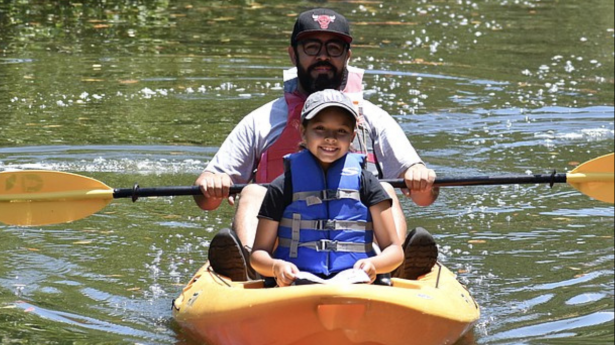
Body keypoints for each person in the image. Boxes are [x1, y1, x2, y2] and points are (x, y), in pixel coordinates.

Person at [195, 8, 439, 282]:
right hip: (280, 251)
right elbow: (207, 200)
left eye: (334, 48)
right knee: (252, 192)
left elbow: (423, 198)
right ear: (293, 53)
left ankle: (391, 267)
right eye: (312, 47)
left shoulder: (373, 118)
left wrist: (419, 176)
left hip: (361, 253)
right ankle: (254, 269)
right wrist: (212, 182)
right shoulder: (262, 120)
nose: (322, 56)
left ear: (347, 56)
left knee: (384, 188)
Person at [251, 89, 404, 286]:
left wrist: (374, 264)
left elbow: (394, 249)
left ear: (352, 136)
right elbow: (258, 253)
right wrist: (276, 267)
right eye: (320, 128)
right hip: (296, 282)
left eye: (341, 131)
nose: (330, 138)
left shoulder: (367, 183)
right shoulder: (282, 185)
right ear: (303, 132)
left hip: (355, 282)